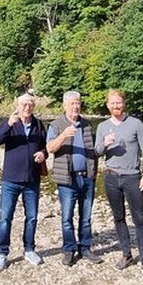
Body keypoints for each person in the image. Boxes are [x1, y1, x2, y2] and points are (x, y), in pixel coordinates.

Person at [94, 88, 143, 279]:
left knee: (139, 219)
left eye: (119, 102)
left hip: (132, 177)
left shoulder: (135, 124)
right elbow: (97, 151)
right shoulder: (103, 127)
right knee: (118, 217)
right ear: (107, 105)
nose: (116, 106)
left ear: (124, 104)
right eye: (112, 103)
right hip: (111, 176)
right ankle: (126, 254)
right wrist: (105, 143)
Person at [0, 92, 47, 271]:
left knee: (31, 217)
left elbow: (46, 146)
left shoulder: (39, 125)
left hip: (32, 179)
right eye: (24, 104)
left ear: (34, 106)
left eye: (30, 104)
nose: (27, 107)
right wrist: (8, 124)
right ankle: (2, 253)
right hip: (11, 179)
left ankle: (29, 250)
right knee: (5, 218)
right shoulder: (10, 123)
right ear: (17, 105)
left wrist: (43, 153)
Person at [46, 91, 102, 266]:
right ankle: (69, 249)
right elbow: (50, 148)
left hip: (87, 177)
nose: (76, 106)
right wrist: (63, 136)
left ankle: (85, 248)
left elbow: (95, 150)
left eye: (78, 103)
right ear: (64, 105)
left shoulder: (87, 125)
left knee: (86, 217)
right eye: (72, 104)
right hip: (67, 179)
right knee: (67, 217)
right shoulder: (56, 125)